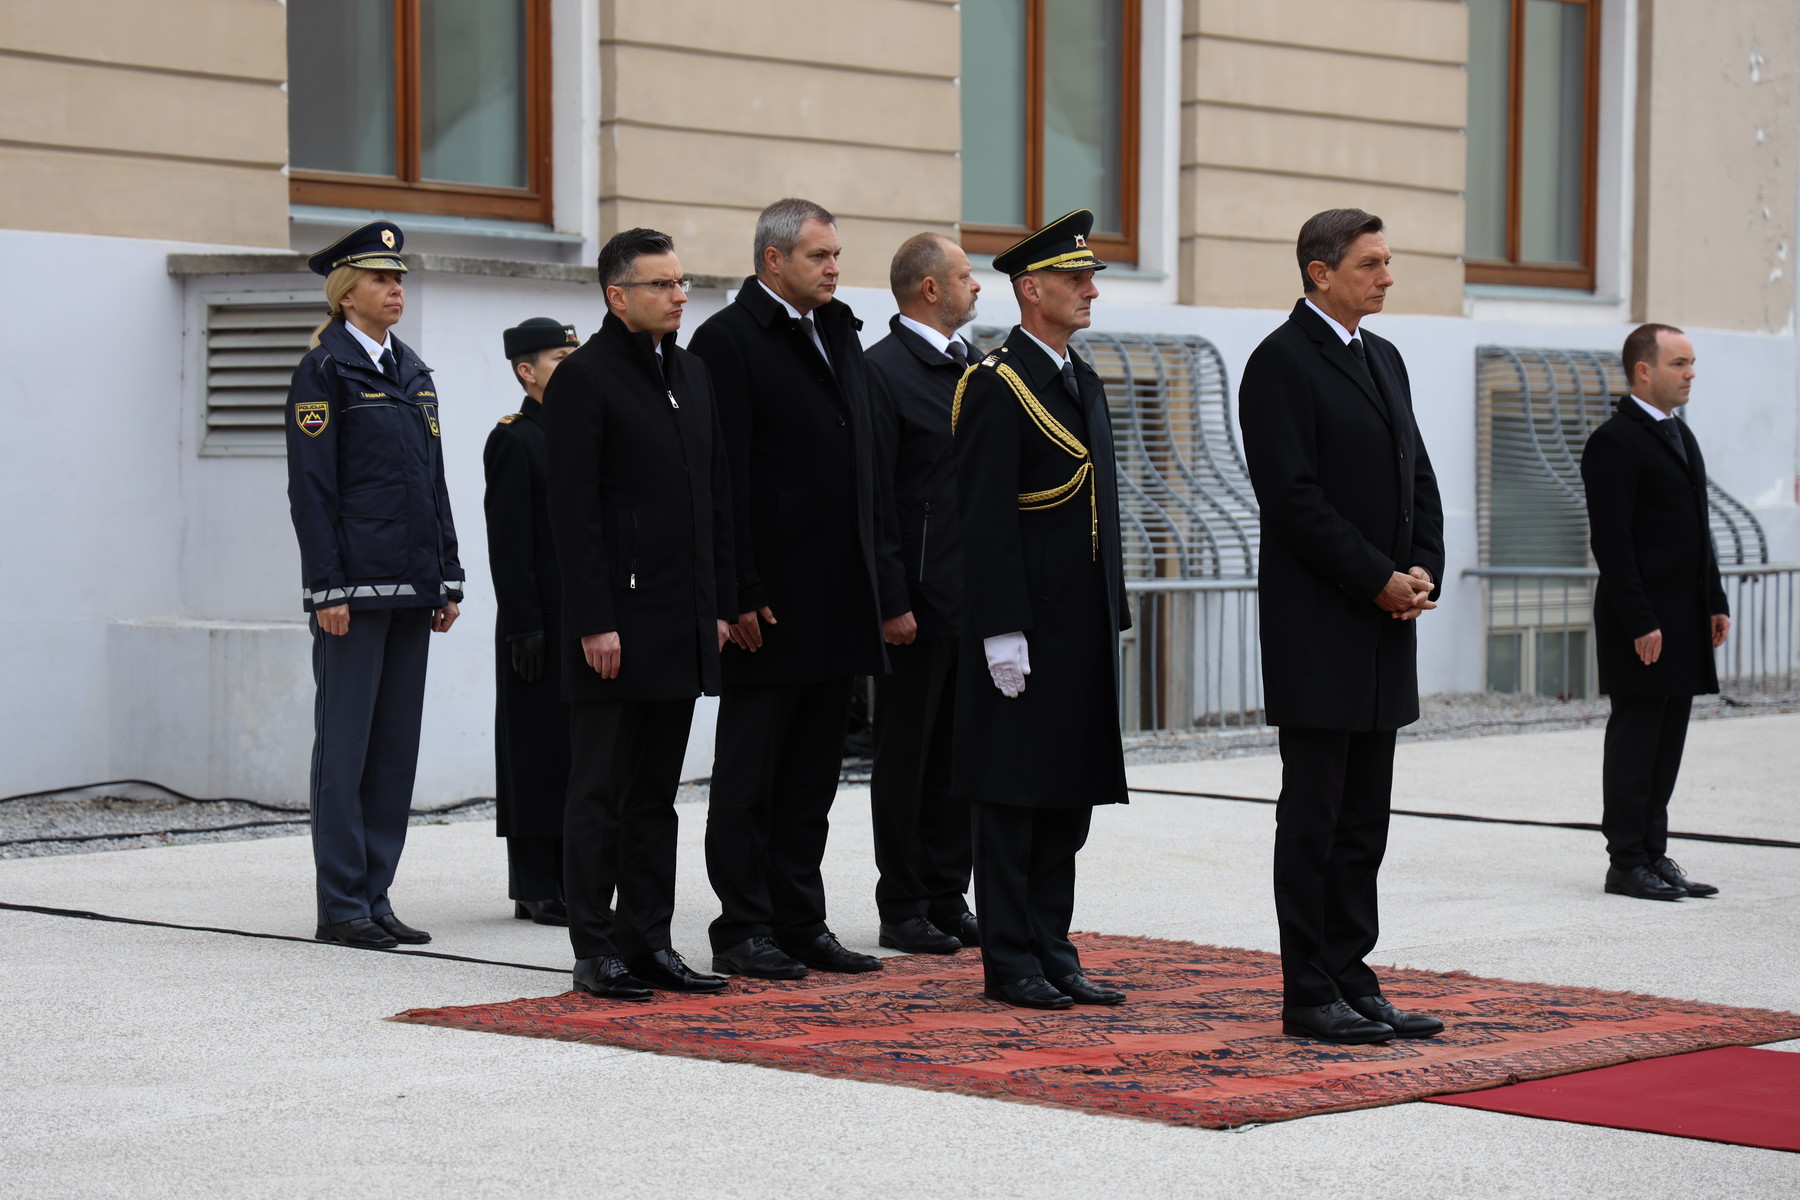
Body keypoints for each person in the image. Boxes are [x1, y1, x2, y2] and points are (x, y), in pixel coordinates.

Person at [1237, 208, 1446, 1044]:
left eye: (1387, 262)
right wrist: (1375, 579)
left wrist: (1421, 569)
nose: (1387, 277)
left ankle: (1353, 974)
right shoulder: (1281, 362)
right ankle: (1309, 990)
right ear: (1320, 273)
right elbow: (1292, 500)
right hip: (1320, 628)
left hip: (1385, 625)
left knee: (1365, 820)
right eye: (1370, 264)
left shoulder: (1383, 357)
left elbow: (1416, 474)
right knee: (1315, 818)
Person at [688, 198, 887, 980]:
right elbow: (721, 475)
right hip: (766, 602)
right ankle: (743, 926)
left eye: (836, 255)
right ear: (773, 259)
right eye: (819, 256)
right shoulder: (728, 340)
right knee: (751, 775)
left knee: (811, 776)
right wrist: (735, 589)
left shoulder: (838, 330)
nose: (834, 268)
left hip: (836, 595)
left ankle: (801, 920)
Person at [543, 229, 736, 1000]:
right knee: (599, 790)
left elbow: (713, 498)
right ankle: (595, 948)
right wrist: (594, 620)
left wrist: (715, 606)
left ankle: (648, 939)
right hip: (614, 626)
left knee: (656, 794)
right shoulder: (584, 379)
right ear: (617, 296)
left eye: (681, 282)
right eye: (661, 284)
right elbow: (574, 514)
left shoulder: (691, 372)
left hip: (678, 620)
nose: (679, 296)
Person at [950, 209, 1130, 1011]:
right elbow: (983, 517)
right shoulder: (996, 384)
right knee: (1014, 799)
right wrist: (1000, 629)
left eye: (1090, 278)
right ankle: (1010, 959)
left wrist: (1110, 613)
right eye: (1076, 278)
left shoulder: (1079, 378)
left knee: (1067, 798)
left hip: (1078, 624)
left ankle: (1054, 949)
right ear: (1032, 289)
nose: (1090, 291)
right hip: (1023, 626)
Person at [285, 220, 463, 949]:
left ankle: (376, 895)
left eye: (399, 280)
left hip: (413, 588)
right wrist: (325, 588)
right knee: (345, 752)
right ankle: (341, 905)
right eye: (380, 279)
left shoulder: (413, 372)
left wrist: (447, 574)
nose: (395, 290)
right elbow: (311, 490)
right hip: (354, 595)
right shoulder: (324, 371)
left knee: (393, 752)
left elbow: (433, 482)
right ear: (345, 293)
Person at [1580, 324, 1729, 902]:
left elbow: (1697, 527)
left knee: (1668, 742)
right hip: (1641, 621)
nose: (1691, 373)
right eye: (1679, 363)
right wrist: (1641, 620)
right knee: (1637, 740)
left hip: (1684, 617)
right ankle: (1625, 862)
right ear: (1643, 371)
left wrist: (1714, 601)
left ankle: (1653, 853)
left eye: (1691, 363)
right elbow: (1611, 542)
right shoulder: (1614, 441)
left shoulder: (1679, 434)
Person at [866, 233, 982, 955]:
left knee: (958, 757)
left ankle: (947, 892)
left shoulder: (974, 366)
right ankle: (903, 902)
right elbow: (876, 498)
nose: (979, 286)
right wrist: (891, 599)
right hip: (916, 600)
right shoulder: (883, 371)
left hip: (972, 596)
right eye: (966, 276)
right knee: (907, 758)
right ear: (930, 289)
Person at [483, 317, 581, 926]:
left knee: (575, 751)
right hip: (537, 622)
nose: (572, 367)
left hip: (583, 619)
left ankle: (573, 876)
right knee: (534, 750)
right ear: (527, 371)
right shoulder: (515, 440)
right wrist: (524, 624)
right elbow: (509, 543)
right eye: (559, 359)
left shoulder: (582, 431)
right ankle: (534, 883)